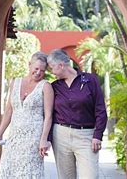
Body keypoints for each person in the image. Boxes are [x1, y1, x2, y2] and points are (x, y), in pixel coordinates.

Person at [47, 49, 107, 179]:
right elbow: (47, 113)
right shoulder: (54, 86)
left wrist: (98, 135)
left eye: (52, 68)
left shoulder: (90, 80)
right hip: (61, 136)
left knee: (90, 176)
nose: (52, 72)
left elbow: (100, 109)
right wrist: (47, 138)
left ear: (61, 65)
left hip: (86, 136)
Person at [0, 52, 54, 179]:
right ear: (29, 65)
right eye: (36, 68)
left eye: (42, 71)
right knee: (8, 171)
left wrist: (43, 139)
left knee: (27, 173)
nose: (38, 73)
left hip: (33, 139)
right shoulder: (15, 82)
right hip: (14, 138)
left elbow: (48, 116)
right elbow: (9, 111)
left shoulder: (46, 86)